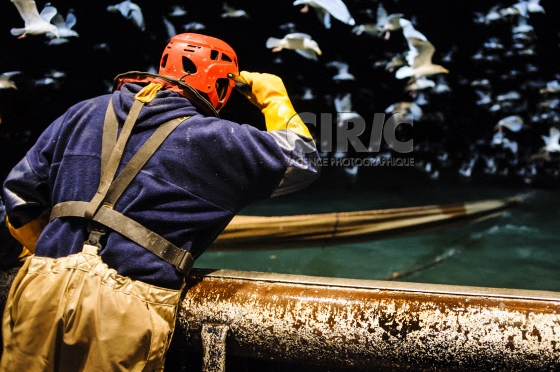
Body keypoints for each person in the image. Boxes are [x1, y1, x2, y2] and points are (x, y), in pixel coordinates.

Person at [0, 33, 321, 371]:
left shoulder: (82, 112)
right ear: (222, 88)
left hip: (40, 286)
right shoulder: (215, 139)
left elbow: (19, 198)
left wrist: (53, 259)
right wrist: (273, 98)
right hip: (123, 306)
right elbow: (302, 160)